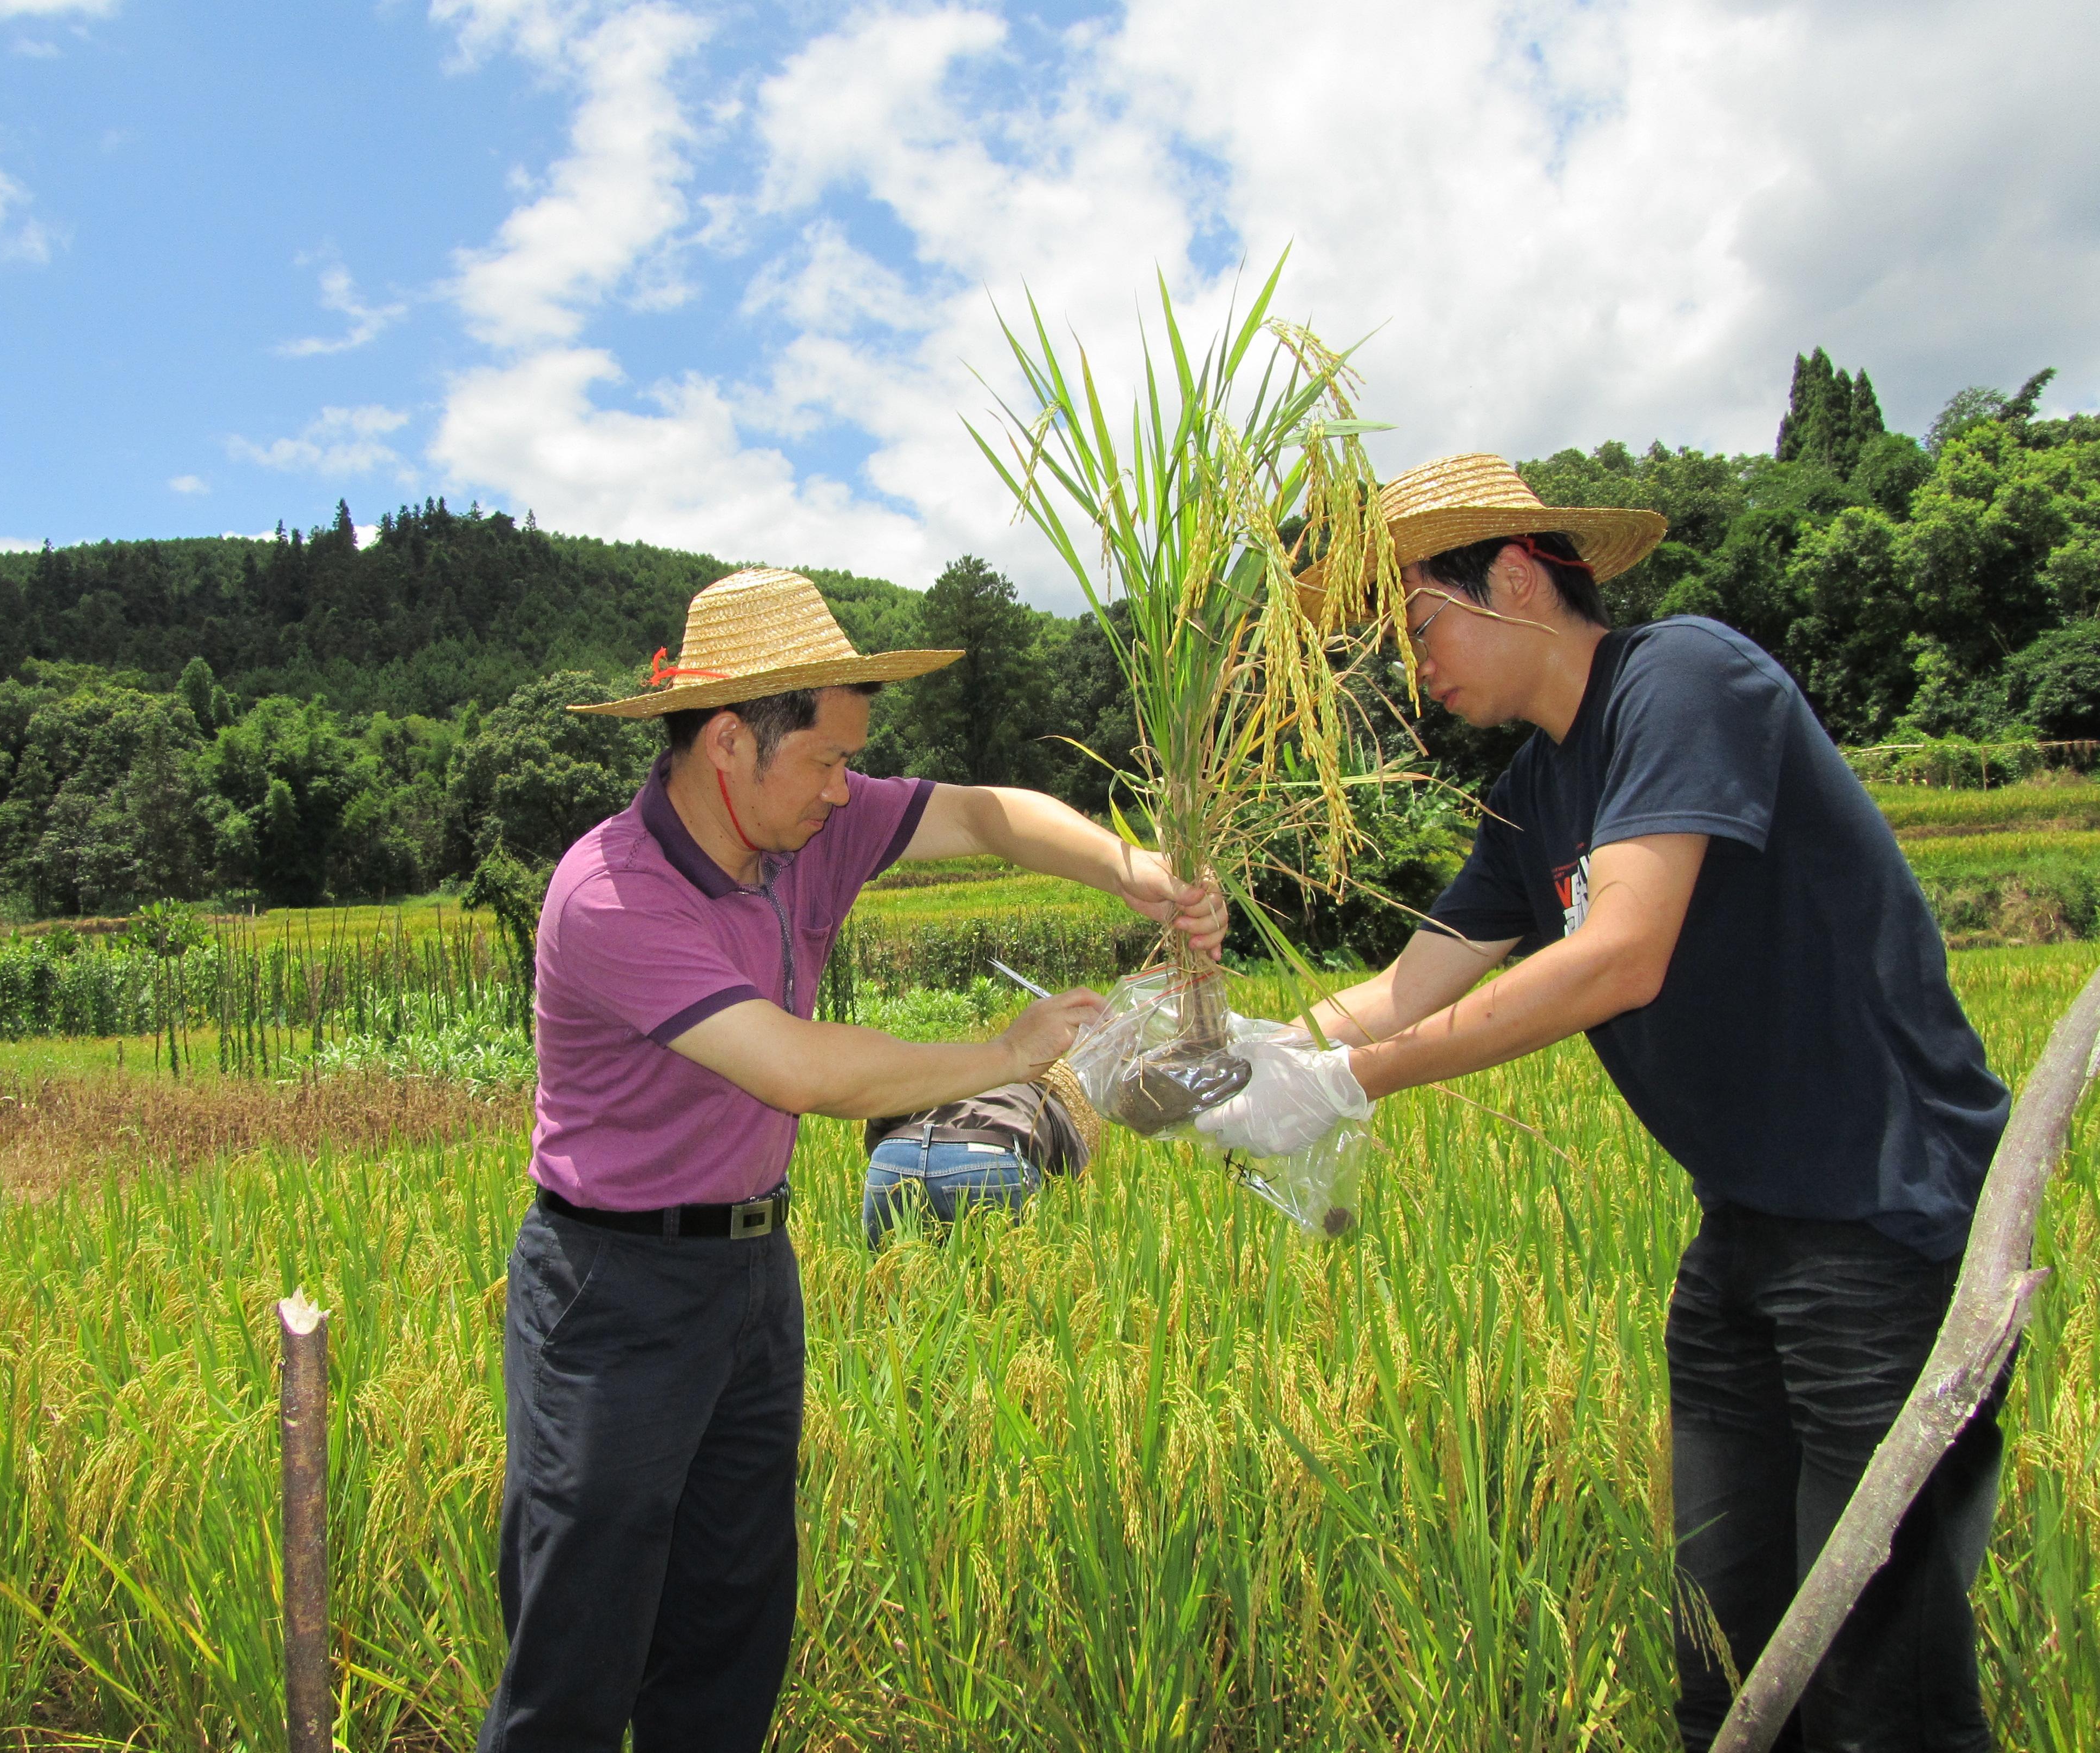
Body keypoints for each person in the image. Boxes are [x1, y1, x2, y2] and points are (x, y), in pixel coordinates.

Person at [1197, 454, 2012, 1752]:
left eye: (1418, 624)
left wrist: (1346, 1081)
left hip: (1884, 1216)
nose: (1416, 669)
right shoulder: (1531, 796)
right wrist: (1239, 1053)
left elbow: (1619, 953)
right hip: (1742, 1230)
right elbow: (1407, 985)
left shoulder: (1684, 678)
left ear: (1517, 575)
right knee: (1723, 1661)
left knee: (1878, 1685)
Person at [480, 567, 1225, 1753]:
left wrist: (1147, 880)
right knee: (578, 1644)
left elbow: (989, 816)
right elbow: (803, 1073)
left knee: (732, 1624)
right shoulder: (612, 894)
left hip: (751, 1278)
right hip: (611, 1295)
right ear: (730, 741)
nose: (847, 790)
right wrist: (1006, 1054)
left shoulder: (805, 831)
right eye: (827, 760)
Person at [860, 1060, 1102, 1245]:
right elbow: (1076, 1188)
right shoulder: (1045, 1100)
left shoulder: (937, 1076)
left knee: (885, 1301)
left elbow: (877, 1127)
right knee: (1004, 1301)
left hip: (895, 1157)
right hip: (988, 1163)